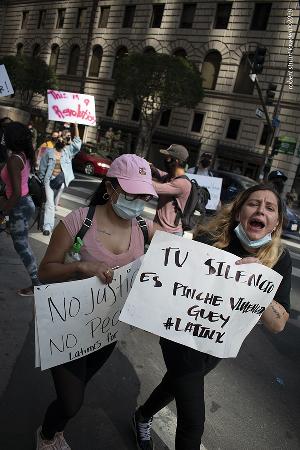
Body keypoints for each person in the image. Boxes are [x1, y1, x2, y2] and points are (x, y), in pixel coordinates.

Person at [133, 183, 291, 450]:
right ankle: (143, 418)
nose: (260, 210)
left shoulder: (279, 259)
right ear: (240, 211)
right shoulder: (211, 240)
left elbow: (278, 323)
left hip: (215, 343)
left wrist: (258, 284)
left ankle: (141, 416)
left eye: (269, 207)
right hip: (180, 336)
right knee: (193, 421)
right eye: (253, 204)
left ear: (275, 223)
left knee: (175, 385)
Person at [36, 154, 160, 450]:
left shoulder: (146, 229)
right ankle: (46, 436)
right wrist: (80, 267)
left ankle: (56, 431)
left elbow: (183, 262)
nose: (138, 200)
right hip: (65, 328)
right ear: (110, 188)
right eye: (131, 192)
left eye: (143, 194)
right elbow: (46, 271)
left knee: (78, 388)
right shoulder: (78, 222)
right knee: (71, 401)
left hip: (106, 332)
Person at [0, 122, 40, 296]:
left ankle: (37, 284)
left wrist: (3, 213)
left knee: (22, 246)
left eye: (5, 135)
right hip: (24, 203)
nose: (3, 138)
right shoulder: (23, 154)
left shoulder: (14, 160)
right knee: (21, 244)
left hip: (18, 205)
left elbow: (15, 193)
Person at [39, 124, 81, 236]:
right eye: (60, 138)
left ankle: (49, 217)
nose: (62, 139)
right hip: (49, 179)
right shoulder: (49, 151)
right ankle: (47, 227)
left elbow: (77, 143)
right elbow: (43, 168)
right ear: (56, 139)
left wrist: (76, 127)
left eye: (65, 138)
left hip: (60, 182)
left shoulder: (68, 151)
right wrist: (42, 181)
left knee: (54, 203)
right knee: (50, 203)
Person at [151, 144, 191, 235]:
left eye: (168, 158)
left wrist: (138, 177)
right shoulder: (171, 177)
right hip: (159, 229)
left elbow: (156, 187)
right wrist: (149, 167)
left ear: (176, 161)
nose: (165, 160)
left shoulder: (182, 183)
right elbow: (159, 173)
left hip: (170, 234)